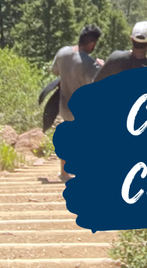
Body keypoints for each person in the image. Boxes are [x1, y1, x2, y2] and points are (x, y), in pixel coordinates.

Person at [51, 23, 103, 181]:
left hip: (65, 106)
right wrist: (102, 66)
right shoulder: (89, 63)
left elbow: (55, 70)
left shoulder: (62, 53)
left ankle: (64, 173)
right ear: (92, 44)